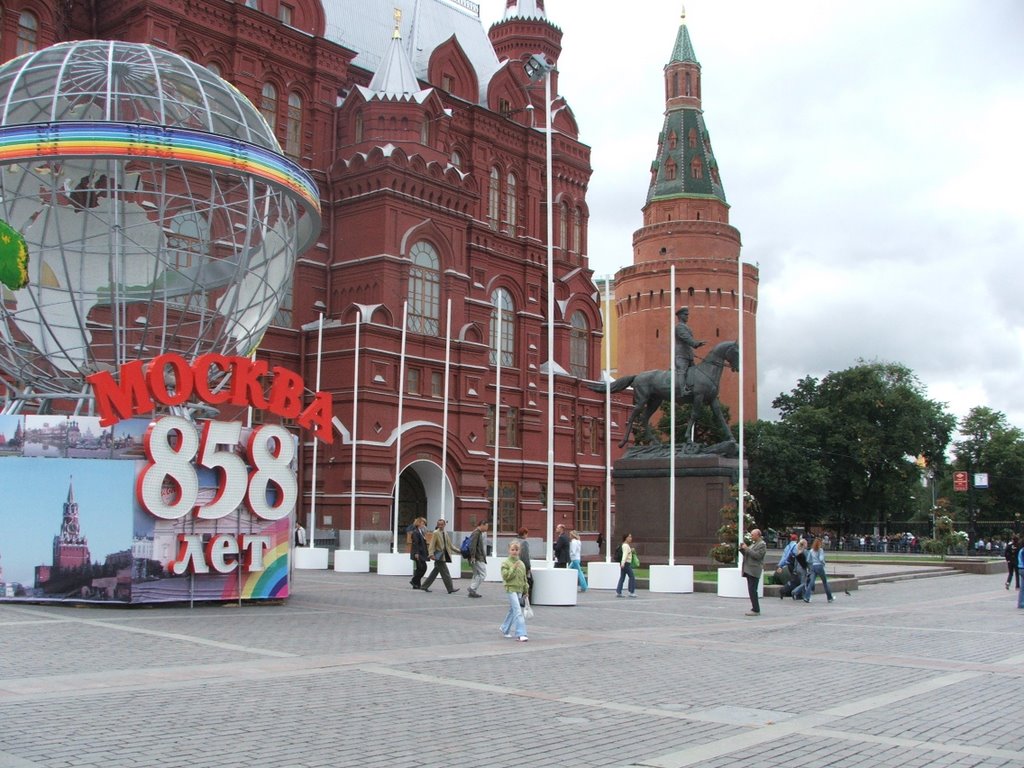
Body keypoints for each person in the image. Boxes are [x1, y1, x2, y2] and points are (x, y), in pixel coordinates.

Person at [500, 541, 529, 641]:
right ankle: (521, 633)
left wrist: (526, 590)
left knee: (513, 610)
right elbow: (506, 577)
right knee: (517, 610)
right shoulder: (506, 563)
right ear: (509, 550)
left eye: (516, 550)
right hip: (511, 589)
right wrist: (513, 568)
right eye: (512, 550)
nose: (514, 552)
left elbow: (524, 578)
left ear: (519, 551)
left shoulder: (521, 563)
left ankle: (505, 628)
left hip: (519, 589)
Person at [421, 518, 460, 594]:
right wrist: (431, 554)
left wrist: (459, 551)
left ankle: (424, 586)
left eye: (442, 524)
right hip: (439, 556)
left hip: (444, 555)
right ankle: (450, 588)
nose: (440, 526)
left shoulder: (445, 533)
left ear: (444, 525)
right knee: (446, 573)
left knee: (435, 572)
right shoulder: (436, 533)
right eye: (439, 524)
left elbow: (450, 545)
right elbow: (432, 544)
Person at [673, 306, 705, 398]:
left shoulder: (685, 327)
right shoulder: (679, 327)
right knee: (682, 371)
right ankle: (683, 390)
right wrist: (696, 343)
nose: (687, 316)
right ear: (680, 316)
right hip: (681, 355)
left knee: (694, 372)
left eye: (687, 315)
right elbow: (686, 338)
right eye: (685, 315)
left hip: (688, 355)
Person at [739, 528, 766, 616]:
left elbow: (757, 556)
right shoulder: (754, 544)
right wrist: (743, 549)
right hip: (749, 570)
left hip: (754, 570)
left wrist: (747, 548)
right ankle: (754, 608)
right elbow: (748, 555)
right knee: (751, 590)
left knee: (753, 590)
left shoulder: (762, 544)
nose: (751, 536)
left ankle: (756, 609)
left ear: (758, 535)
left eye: (753, 535)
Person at [803, 537, 834, 603]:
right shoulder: (820, 550)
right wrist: (823, 563)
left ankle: (807, 597)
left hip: (813, 566)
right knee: (825, 582)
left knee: (811, 582)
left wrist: (813, 562)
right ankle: (829, 598)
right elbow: (821, 558)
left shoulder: (811, 550)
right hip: (819, 566)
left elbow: (808, 560)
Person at [466, 520, 489, 598]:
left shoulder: (477, 533)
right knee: (483, 574)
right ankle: (472, 588)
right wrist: (473, 556)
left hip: (475, 557)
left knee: (476, 574)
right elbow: (473, 546)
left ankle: (473, 591)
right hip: (477, 557)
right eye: (486, 526)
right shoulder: (476, 533)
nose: (487, 528)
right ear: (482, 525)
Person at [514, 526, 534, 602]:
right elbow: (525, 556)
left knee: (518, 583)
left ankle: (517, 599)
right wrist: (528, 568)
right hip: (522, 566)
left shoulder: (514, 541)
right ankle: (525, 600)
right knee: (529, 582)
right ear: (525, 534)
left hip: (515, 564)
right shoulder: (524, 542)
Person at [409, 516, 428, 589]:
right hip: (418, 553)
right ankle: (414, 580)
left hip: (422, 553)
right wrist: (416, 553)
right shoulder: (415, 532)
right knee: (422, 568)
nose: (424, 525)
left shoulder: (421, 532)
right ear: (418, 523)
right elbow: (415, 543)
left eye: (424, 523)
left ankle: (417, 583)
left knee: (420, 568)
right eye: (423, 523)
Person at [615, 533, 637, 598]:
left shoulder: (626, 545)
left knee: (622, 577)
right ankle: (631, 591)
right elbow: (624, 555)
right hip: (626, 563)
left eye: (631, 537)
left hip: (624, 563)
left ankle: (619, 591)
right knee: (632, 576)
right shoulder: (625, 546)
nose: (631, 538)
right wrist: (623, 563)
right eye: (629, 537)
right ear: (626, 538)